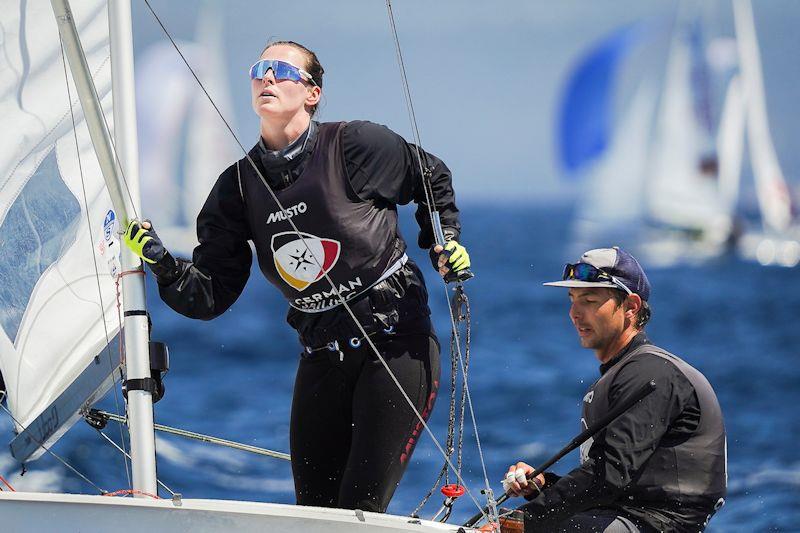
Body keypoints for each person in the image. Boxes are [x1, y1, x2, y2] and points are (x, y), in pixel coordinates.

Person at [123, 40, 471, 513]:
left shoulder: (355, 144)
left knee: (358, 511)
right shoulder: (237, 187)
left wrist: (443, 239)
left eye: (282, 70)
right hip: (322, 355)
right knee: (314, 515)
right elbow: (210, 295)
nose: (267, 76)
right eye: (259, 68)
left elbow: (429, 177)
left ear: (312, 93)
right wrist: (163, 264)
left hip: (394, 343)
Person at [488, 247, 726, 533]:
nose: (575, 313)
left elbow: (608, 477)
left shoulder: (650, 374)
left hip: (659, 524)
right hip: (628, 516)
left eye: (589, 301)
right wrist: (543, 486)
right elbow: (612, 484)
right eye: (572, 300)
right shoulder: (620, 375)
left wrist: (521, 523)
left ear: (631, 306)